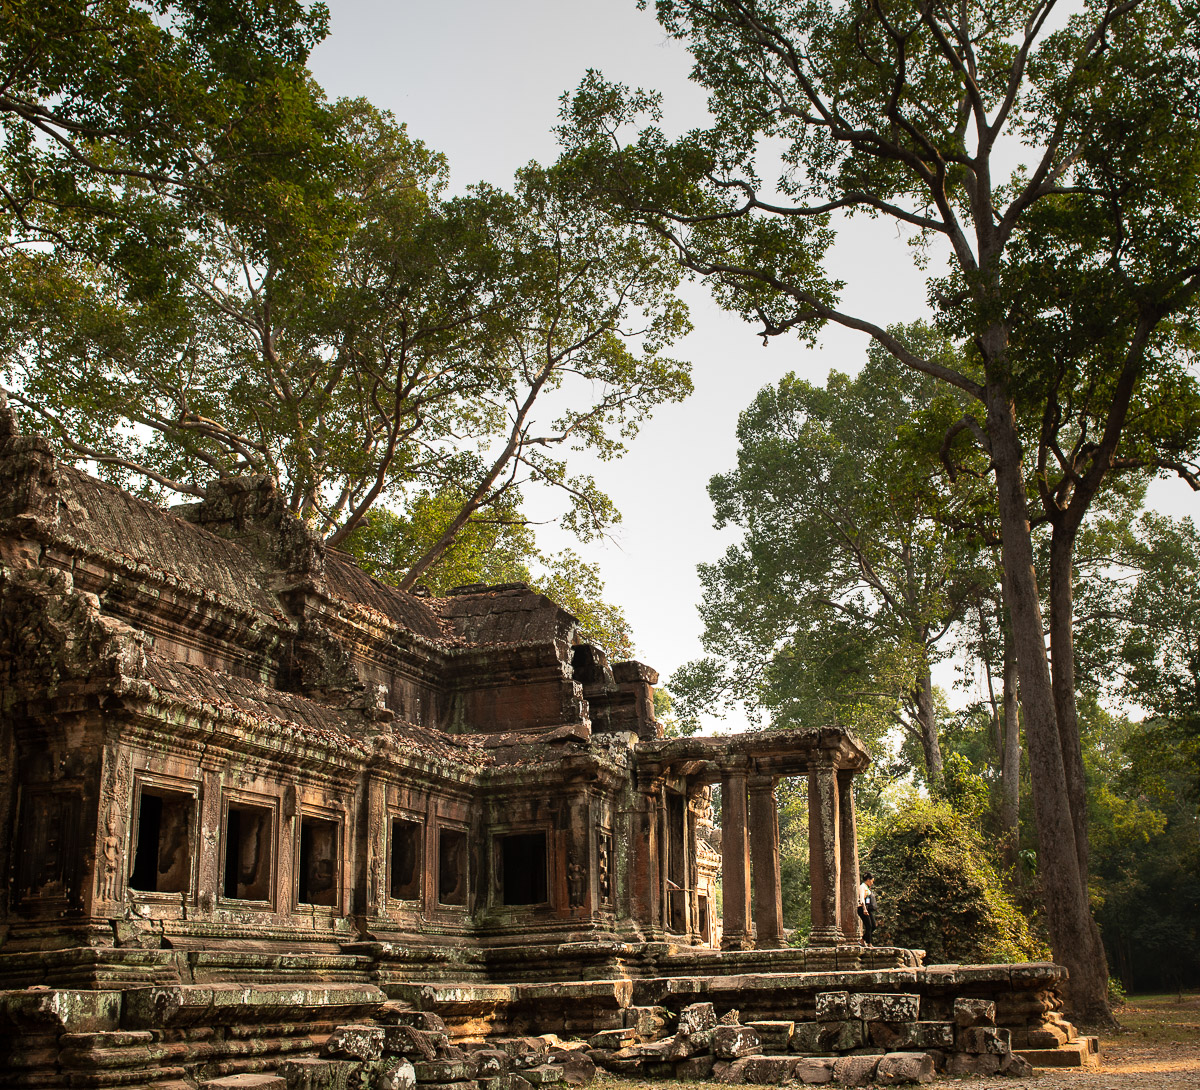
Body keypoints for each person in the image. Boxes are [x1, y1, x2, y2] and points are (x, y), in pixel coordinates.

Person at [857, 871, 877, 945]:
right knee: (869, 926)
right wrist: (864, 909)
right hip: (862, 908)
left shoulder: (867, 887)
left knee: (874, 926)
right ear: (868, 879)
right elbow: (862, 899)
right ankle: (869, 943)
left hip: (868, 908)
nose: (872, 882)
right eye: (872, 880)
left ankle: (862, 939)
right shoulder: (862, 886)